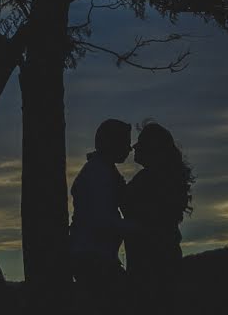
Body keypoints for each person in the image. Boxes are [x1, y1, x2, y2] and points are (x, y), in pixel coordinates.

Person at [123, 122, 194, 315]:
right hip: (160, 260)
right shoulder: (163, 178)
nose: (134, 147)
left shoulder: (151, 180)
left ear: (152, 148)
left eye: (140, 143)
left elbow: (142, 218)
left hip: (151, 264)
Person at [69, 118, 133, 315]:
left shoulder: (102, 170)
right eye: (125, 142)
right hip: (95, 258)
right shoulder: (99, 173)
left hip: (97, 256)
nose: (129, 148)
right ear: (110, 143)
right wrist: (137, 229)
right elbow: (102, 219)